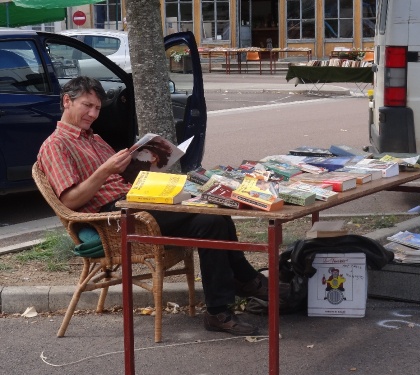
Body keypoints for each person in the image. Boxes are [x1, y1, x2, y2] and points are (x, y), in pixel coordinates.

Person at [37, 76, 268, 336]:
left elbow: (120, 179)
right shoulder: (55, 145)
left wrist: (145, 165)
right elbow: (69, 201)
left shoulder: (94, 139)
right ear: (67, 101)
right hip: (113, 217)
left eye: (97, 109)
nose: (92, 114)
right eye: (87, 106)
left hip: (134, 201)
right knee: (208, 216)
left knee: (212, 215)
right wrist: (106, 170)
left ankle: (224, 305)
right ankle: (246, 285)